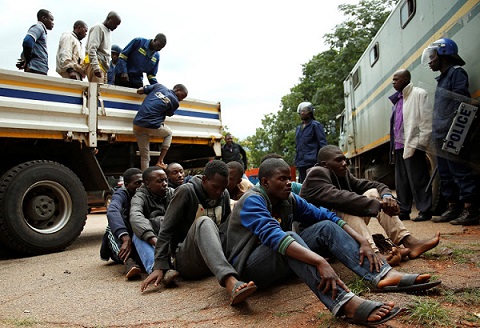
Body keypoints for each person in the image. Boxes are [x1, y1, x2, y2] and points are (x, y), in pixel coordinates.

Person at [223, 158, 440, 325]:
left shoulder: (288, 199)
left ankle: (382, 275)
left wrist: (362, 240)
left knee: (326, 227)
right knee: (288, 237)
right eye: (282, 179)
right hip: (250, 271)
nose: (289, 183)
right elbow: (275, 237)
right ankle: (346, 303)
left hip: (277, 261)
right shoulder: (252, 200)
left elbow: (325, 215)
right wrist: (320, 261)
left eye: (289, 178)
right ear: (265, 182)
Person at [300, 145, 440, 266]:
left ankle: (408, 241)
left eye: (344, 159)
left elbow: (376, 185)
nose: (344, 163)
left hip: (340, 227)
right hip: (319, 239)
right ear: (325, 164)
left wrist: (387, 197)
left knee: (373, 192)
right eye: (338, 160)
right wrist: (380, 205)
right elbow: (342, 199)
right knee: (345, 208)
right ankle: (375, 254)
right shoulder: (316, 175)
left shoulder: (342, 173)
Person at [141, 160, 257, 305]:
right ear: (204, 179)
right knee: (204, 222)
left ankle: (247, 267)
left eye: (223, 188)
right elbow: (166, 230)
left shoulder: (224, 194)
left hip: (215, 257)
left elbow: (226, 229)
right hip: (189, 261)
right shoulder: (186, 192)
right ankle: (231, 282)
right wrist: (159, 265)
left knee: (247, 214)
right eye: (215, 187)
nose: (219, 192)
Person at [423, 38, 479, 226]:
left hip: (452, 132)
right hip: (440, 133)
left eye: (432, 57)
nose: (430, 61)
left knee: (459, 171)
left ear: (444, 54)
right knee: (446, 174)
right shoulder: (441, 79)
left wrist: (454, 130)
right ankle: (453, 208)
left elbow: (461, 102)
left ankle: (471, 210)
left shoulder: (456, 74)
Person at [388, 69, 433, 221]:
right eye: (393, 80)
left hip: (413, 145)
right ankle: (404, 210)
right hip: (399, 146)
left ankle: (425, 210)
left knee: (418, 179)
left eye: (397, 79)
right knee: (401, 181)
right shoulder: (398, 100)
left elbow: (426, 121)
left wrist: (420, 144)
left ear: (406, 79)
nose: (393, 82)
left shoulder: (419, 94)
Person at [129, 167, 177, 282]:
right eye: (159, 181)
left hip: (170, 238)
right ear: (148, 184)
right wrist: (153, 240)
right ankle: (155, 268)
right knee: (138, 233)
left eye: (166, 180)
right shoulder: (139, 197)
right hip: (152, 241)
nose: (165, 184)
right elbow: (135, 217)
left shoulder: (172, 193)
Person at [100, 168, 143, 279]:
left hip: (135, 237)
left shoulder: (146, 194)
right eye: (137, 183)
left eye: (143, 182)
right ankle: (128, 262)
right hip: (121, 242)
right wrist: (124, 236)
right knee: (111, 227)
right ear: (127, 185)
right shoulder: (121, 194)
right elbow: (112, 210)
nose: (141, 186)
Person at [133, 83, 188, 171]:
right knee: (169, 133)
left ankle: (146, 179)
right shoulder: (175, 102)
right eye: (182, 96)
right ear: (177, 90)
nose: (181, 99)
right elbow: (169, 114)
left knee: (145, 157)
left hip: (137, 124)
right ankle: (160, 161)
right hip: (152, 126)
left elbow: (139, 91)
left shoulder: (159, 86)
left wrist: (149, 92)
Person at [84, 11, 121, 83]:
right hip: (97, 65)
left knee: (101, 92)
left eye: (117, 25)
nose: (116, 27)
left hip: (104, 68)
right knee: (96, 91)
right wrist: (95, 67)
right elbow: (92, 49)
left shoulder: (108, 31)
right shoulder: (99, 28)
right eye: (115, 23)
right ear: (108, 19)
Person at [295, 102, 327, 183]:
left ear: (309, 113)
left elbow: (322, 143)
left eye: (304, 111)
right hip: (301, 163)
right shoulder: (299, 128)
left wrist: (323, 160)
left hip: (312, 162)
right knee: (302, 185)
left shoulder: (315, 125)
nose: (302, 113)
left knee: (313, 184)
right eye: (301, 111)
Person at [21, 9, 54, 75]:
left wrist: (24, 58)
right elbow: (27, 41)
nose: (53, 23)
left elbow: (30, 46)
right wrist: (27, 61)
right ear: (44, 18)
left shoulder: (42, 31)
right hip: (35, 69)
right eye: (51, 20)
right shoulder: (38, 27)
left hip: (39, 69)